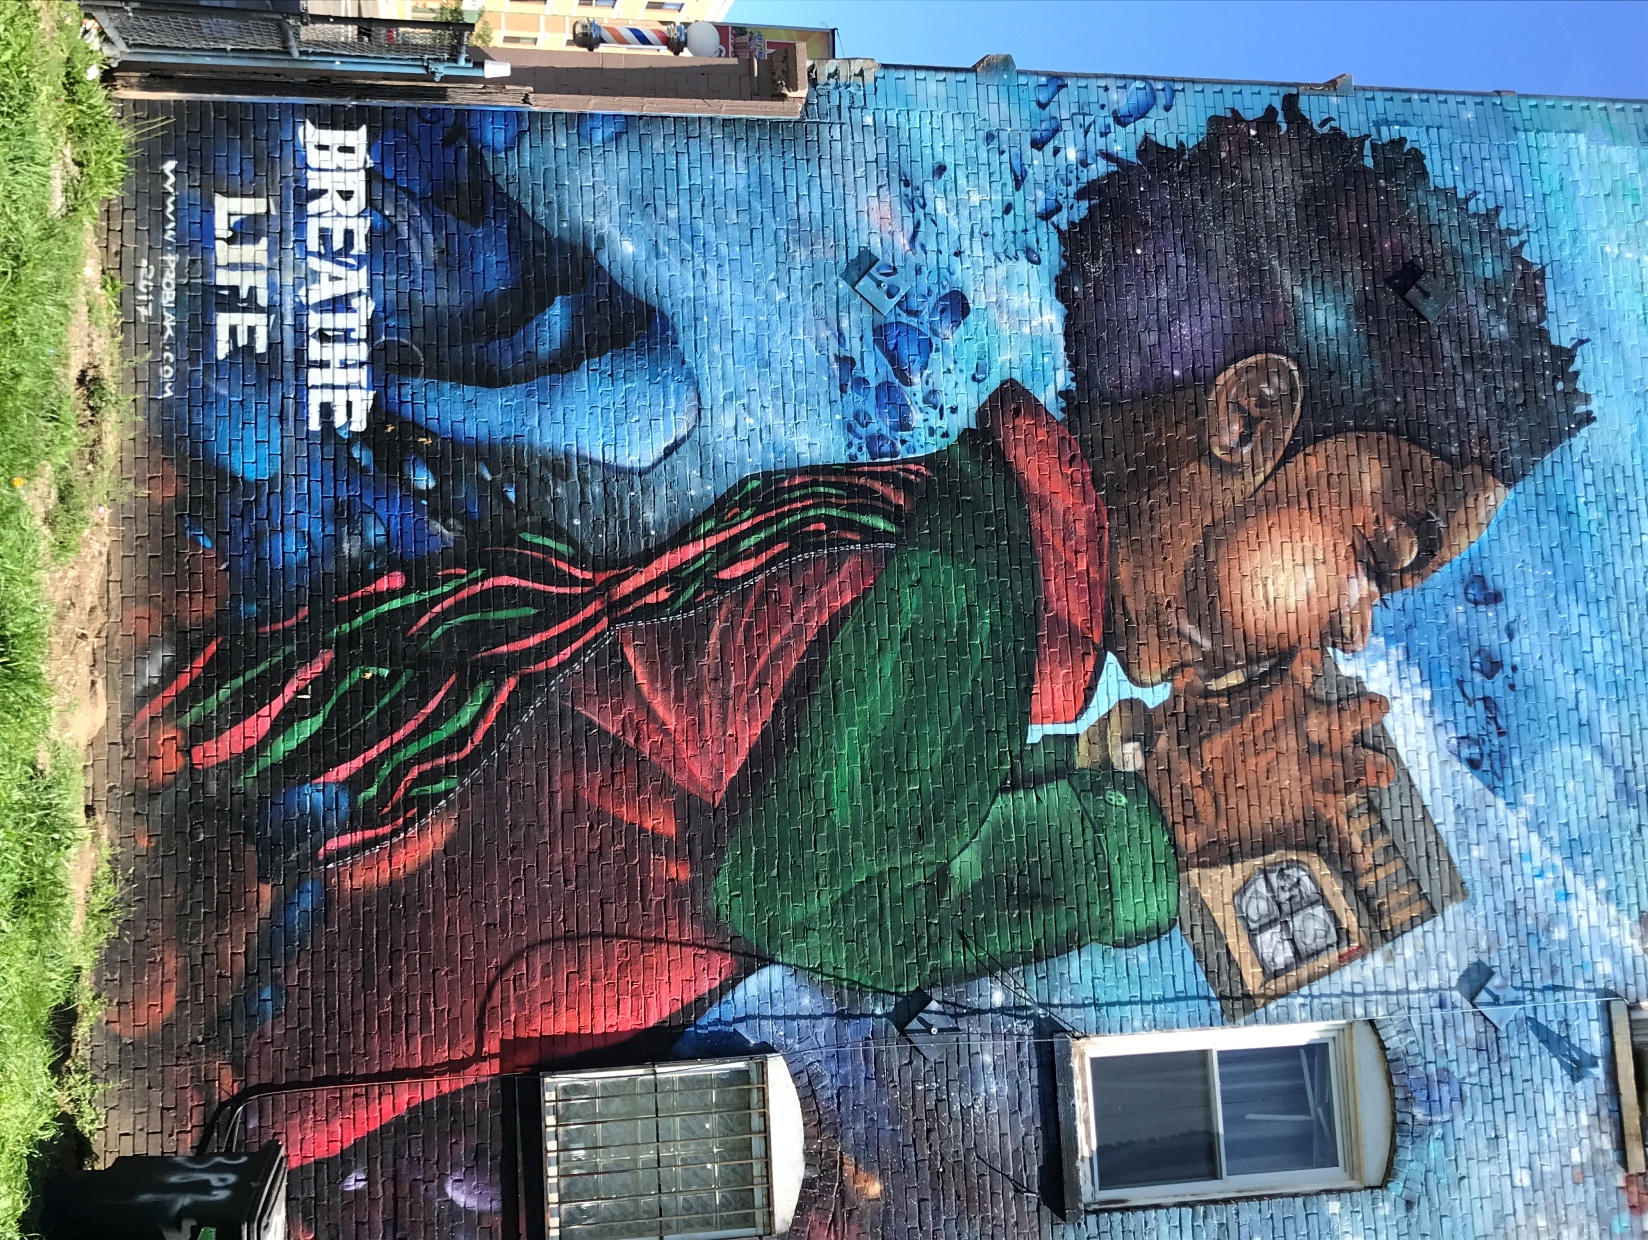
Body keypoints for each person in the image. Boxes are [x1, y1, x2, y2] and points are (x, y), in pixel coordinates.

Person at [128, 96, 1589, 1157]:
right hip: (348, 1002)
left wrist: (1133, 778)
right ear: (1250, 418)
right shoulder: (954, 607)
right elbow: (821, 896)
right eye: (1377, 555)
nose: (1354, 627)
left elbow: (893, 805)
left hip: (406, 960)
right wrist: (1169, 825)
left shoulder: (960, 548)